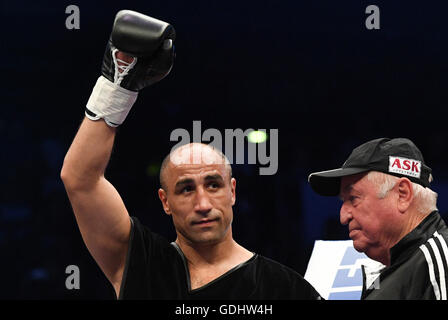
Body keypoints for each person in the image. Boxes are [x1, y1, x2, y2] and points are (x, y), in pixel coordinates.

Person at [61, 10, 321, 300]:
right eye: (185, 189)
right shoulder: (142, 265)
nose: (202, 204)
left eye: (213, 185)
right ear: (165, 201)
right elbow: (79, 179)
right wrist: (115, 86)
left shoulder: (285, 289)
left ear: (232, 191)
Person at [308, 137, 448, 300]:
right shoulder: (397, 269)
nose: (343, 217)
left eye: (353, 198)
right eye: (343, 201)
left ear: (403, 195)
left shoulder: (439, 263)